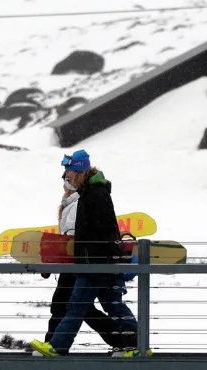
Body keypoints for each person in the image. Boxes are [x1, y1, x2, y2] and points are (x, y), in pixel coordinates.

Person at [31, 150, 138, 357]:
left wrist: (90, 258)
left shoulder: (93, 195)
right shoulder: (92, 193)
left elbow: (94, 233)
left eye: (68, 172)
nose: (65, 177)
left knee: (77, 306)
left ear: (79, 171)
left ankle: (58, 346)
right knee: (105, 306)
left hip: (94, 263)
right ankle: (134, 344)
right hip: (95, 262)